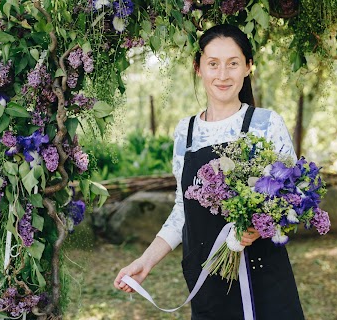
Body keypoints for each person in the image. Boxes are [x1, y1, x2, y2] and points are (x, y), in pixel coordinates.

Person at [114, 24, 305, 320]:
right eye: (213, 64)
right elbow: (182, 211)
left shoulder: (266, 123)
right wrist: (146, 261)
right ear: (198, 68)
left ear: (248, 67)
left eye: (233, 63)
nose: (223, 74)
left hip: (262, 276)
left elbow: (295, 196)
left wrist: (260, 225)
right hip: (208, 279)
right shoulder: (185, 132)